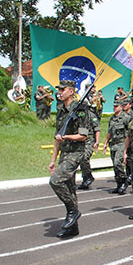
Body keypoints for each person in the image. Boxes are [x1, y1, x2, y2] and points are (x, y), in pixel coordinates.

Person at [48, 79, 89, 238]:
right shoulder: (60, 110)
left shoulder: (80, 109)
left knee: (56, 181)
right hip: (64, 153)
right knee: (71, 189)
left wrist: (66, 136)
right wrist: (53, 160)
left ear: (71, 91)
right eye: (59, 89)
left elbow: (83, 135)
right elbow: (57, 138)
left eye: (62, 89)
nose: (59, 92)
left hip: (76, 152)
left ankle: (73, 211)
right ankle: (73, 227)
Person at [103, 100, 131, 194]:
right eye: (114, 106)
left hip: (122, 143)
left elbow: (130, 132)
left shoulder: (126, 118)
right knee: (115, 166)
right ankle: (119, 184)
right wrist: (105, 142)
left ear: (121, 107)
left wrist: (128, 146)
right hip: (114, 144)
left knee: (117, 163)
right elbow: (109, 131)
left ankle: (124, 181)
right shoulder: (112, 119)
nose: (114, 108)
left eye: (116, 106)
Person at [76, 106, 100, 190]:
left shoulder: (92, 116)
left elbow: (97, 129)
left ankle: (88, 176)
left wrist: (97, 142)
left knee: (85, 157)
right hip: (79, 140)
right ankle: (85, 179)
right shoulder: (78, 115)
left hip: (89, 140)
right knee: (80, 159)